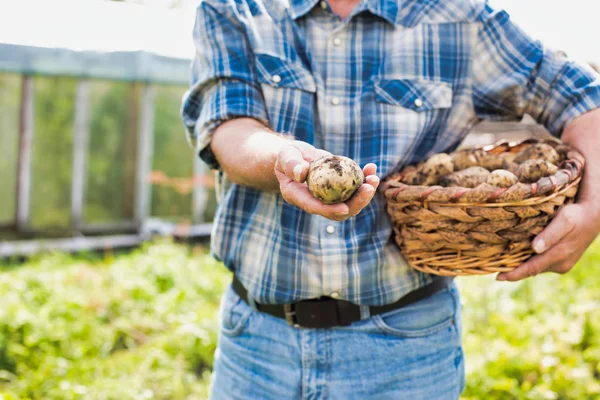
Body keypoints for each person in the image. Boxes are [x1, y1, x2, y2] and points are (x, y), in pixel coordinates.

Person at [181, 0, 600, 397]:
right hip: (256, 348)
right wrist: (283, 159)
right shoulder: (236, 6)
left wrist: (593, 209)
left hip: (405, 349)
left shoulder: (459, 16)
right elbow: (227, 125)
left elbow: (585, 99)